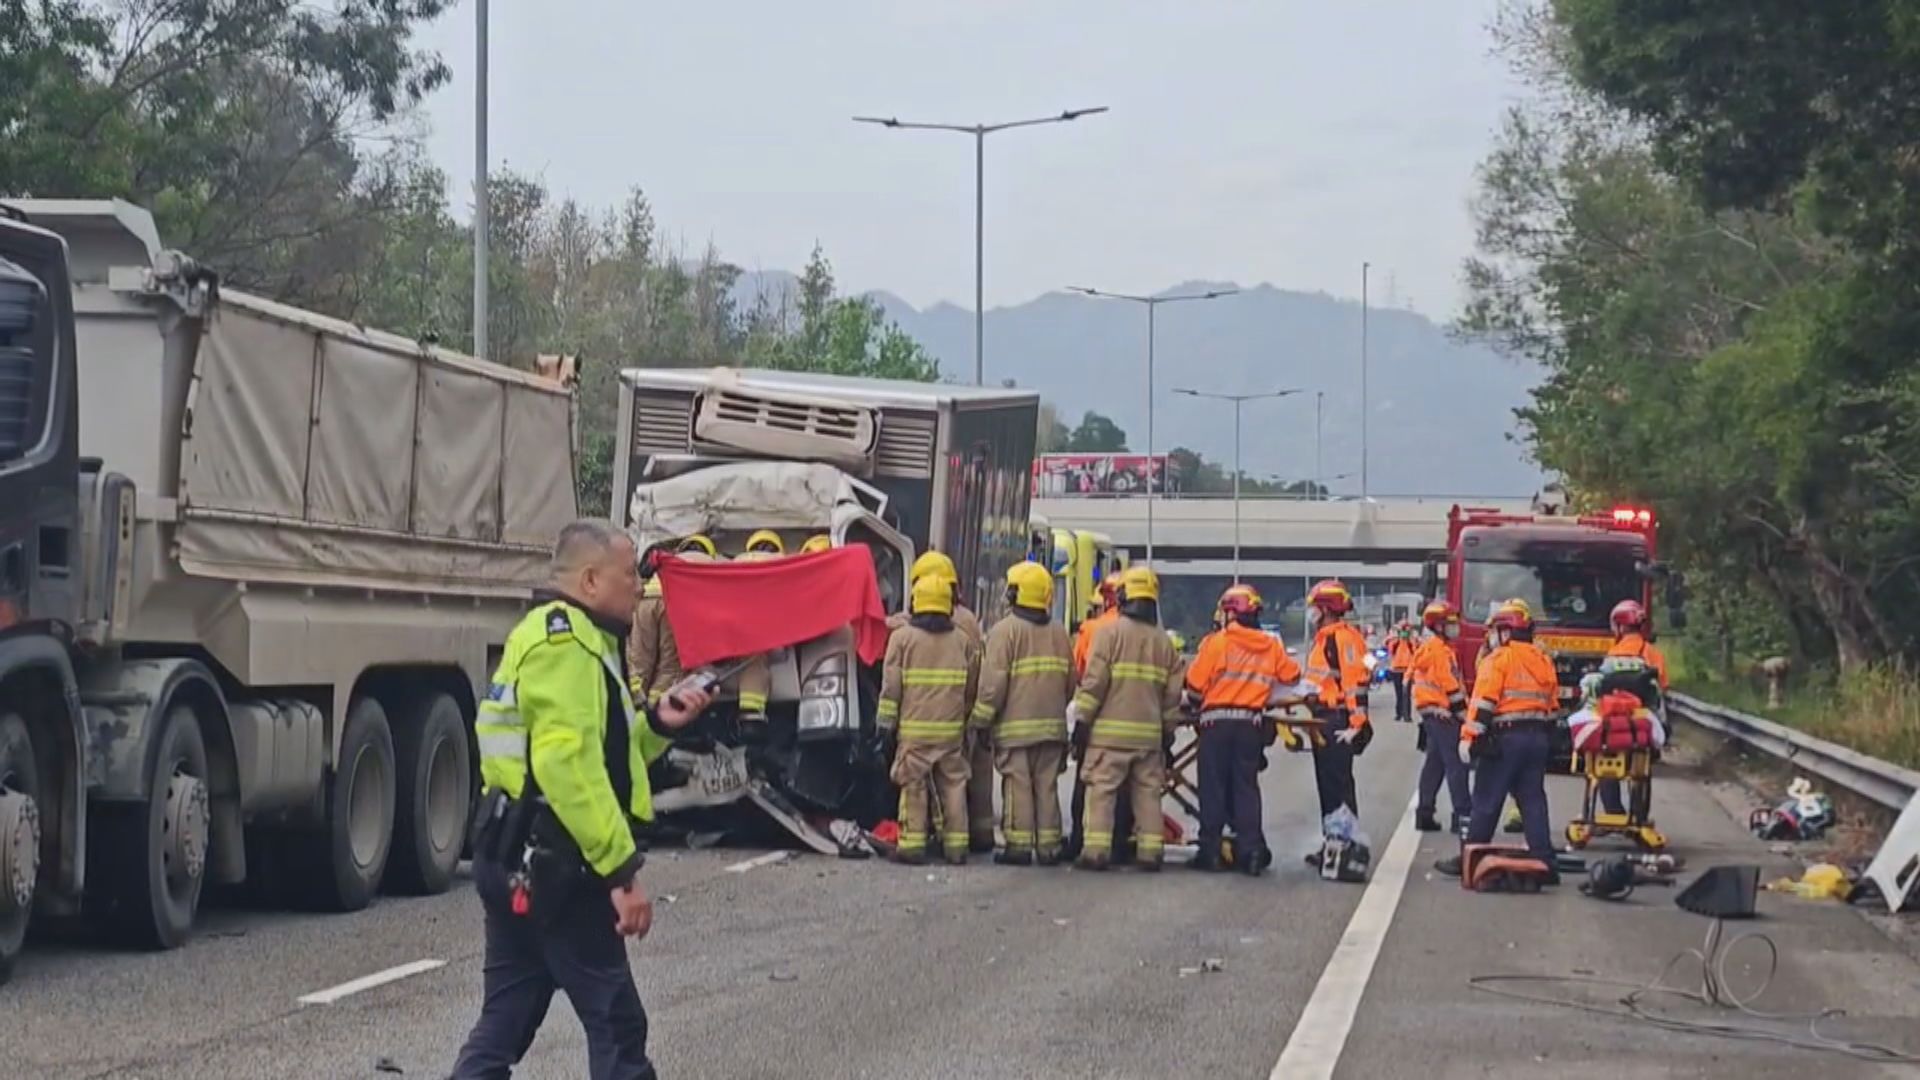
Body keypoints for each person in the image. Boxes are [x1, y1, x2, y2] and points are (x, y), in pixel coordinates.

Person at [454, 520, 714, 1080]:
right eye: (630, 576)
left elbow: (603, 754)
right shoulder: (566, 646)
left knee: (504, 1020)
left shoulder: (561, 637)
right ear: (591, 580)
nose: (640, 587)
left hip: (519, 856)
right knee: (617, 1025)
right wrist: (622, 875)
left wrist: (659, 724)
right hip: (560, 866)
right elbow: (567, 768)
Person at [1183, 584, 1309, 875]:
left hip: (1217, 723)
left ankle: (1211, 850)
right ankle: (1251, 850)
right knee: (1246, 788)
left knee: (1213, 787)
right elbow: (1292, 675)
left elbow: (1195, 684)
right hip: (1250, 724)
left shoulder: (1218, 642)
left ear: (1230, 613)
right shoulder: (1271, 645)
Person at [1436, 599, 1560, 881]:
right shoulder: (1543, 660)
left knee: (1487, 799)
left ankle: (1472, 854)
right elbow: (1552, 707)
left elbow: (1484, 703)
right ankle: (1545, 861)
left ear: (1505, 632)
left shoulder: (1499, 659)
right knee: (1532, 801)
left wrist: (1469, 737)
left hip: (1506, 738)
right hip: (1537, 738)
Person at [1069, 565, 1182, 871]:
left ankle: (1096, 852)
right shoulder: (1164, 643)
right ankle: (1150, 853)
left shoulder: (1108, 634)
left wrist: (1082, 721)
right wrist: (1167, 731)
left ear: (1122, 596)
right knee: (1147, 794)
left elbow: (1094, 683)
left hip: (1109, 737)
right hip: (1148, 737)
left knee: (1101, 792)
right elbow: (1173, 695)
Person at [971, 561, 1073, 865]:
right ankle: (1049, 847)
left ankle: (1018, 845)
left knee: (1018, 786)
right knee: (1046, 786)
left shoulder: (1004, 632)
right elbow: (1071, 683)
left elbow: (993, 685)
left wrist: (981, 720)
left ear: (1016, 593)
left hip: (1015, 730)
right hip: (1052, 729)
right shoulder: (1059, 633)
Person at [877, 572, 981, 865]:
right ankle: (957, 848)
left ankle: (911, 846)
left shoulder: (901, 639)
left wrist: (885, 725)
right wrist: (964, 718)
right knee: (953, 786)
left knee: (913, 787)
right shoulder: (962, 641)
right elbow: (972, 685)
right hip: (950, 733)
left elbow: (891, 688)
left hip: (914, 733)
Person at [1302, 580, 1374, 846]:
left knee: (1337, 785)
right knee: (1328, 786)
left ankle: (1346, 842)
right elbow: (1367, 667)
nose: (1311, 613)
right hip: (1322, 716)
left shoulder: (1340, 638)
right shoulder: (1327, 639)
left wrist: (1356, 723)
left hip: (1337, 719)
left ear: (1326, 609)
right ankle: (1332, 842)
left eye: (1314, 608)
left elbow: (1355, 683)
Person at [1066, 578, 1126, 860]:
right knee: (1132, 787)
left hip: (1099, 722)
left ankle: (1081, 839)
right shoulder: (1154, 634)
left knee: (1087, 781)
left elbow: (1081, 672)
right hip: (1139, 727)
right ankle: (1122, 844)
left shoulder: (1093, 629)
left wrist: (1082, 722)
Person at [1600, 599, 1669, 815]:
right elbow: (1663, 686)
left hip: (1615, 722)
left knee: (1603, 764)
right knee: (1643, 765)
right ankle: (1638, 814)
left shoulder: (1612, 654)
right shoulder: (1652, 653)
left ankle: (1613, 810)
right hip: (1643, 723)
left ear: (1620, 626)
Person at [1410, 601, 1471, 834]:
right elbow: (1449, 685)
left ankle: (1424, 813)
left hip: (1433, 713)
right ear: (1438, 626)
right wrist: (1464, 715)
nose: (1456, 628)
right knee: (1457, 764)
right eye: (1451, 624)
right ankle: (1463, 815)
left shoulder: (1436, 648)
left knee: (1434, 765)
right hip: (1443, 714)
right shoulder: (1437, 650)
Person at [1387, 623, 1416, 723]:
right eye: (1402, 632)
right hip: (1396, 670)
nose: (1404, 634)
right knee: (1398, 694)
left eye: (1406, 632)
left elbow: (1416, 651)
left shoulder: (1411, 642)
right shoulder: (1394, 642)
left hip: (1407, 671)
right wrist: (1396, 638)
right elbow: (1389, 648)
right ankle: (1399, 714)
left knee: (1406, 694)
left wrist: (1410, 639)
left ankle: (1407, 715)